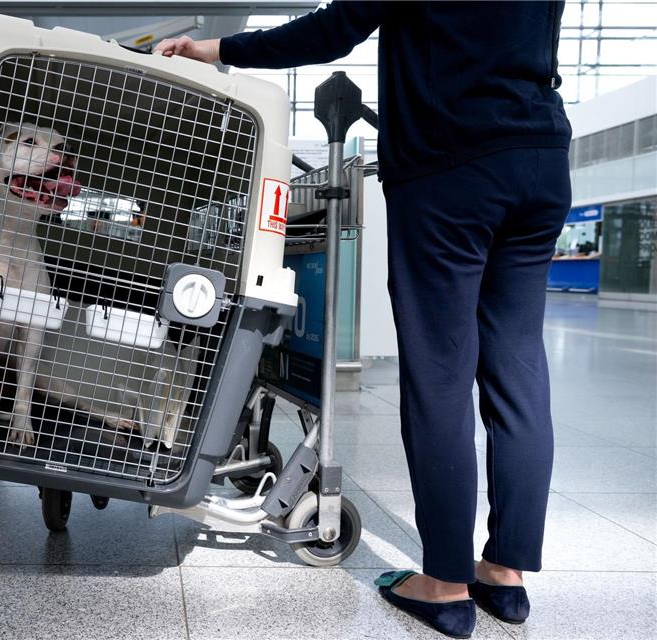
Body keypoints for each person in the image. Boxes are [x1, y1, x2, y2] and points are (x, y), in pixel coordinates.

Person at [157, 2, 571, 637]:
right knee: (518, 369)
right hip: (540, 156)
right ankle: (506, 575)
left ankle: (445, 585)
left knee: (439, 374)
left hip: (451, 163)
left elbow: (334, 31)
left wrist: (217, 50)